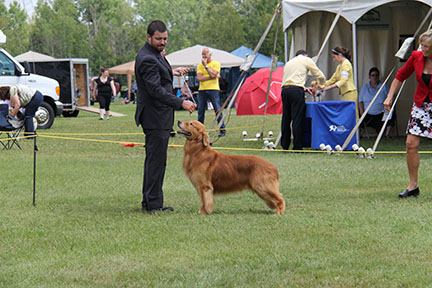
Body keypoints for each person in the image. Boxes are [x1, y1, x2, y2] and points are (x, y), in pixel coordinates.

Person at [134, 20, 196, 215]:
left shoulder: (155, 55)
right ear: (149, 37)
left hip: (159, 116)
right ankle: (153, 204)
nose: (162, 42)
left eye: (165, 39)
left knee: (157, 160)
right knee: (156, 161)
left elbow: (158, 76)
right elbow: (155, 90)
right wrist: (181, 102)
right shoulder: (147, 58)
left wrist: (172, 71)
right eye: (159, 39)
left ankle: (151, 201)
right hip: (154, 116)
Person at [384, 29, 432, 199]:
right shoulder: (416, 57)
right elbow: (400, 76)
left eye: (426, 46)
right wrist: (389, 97)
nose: (422, 48)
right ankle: (413, 186)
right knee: (410, 144)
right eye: (422, 45)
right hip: (421, 105)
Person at [280, 49, 326, 150]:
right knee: (297, 119)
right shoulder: (306, 60)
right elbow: (320, 75)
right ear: (306, 55)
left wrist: (305, 89)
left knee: (286, 118)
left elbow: (291, 81)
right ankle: (297, 146)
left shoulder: (289, 63)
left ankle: (284, 145)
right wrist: (322, 86)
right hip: (296, 91)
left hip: (285, 90)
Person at [197, 47, 226, 137]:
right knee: (201, 111)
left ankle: (222, 129)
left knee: (217, 109)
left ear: (210, 55)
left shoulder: (216, 64)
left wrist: (206, 66)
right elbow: (199, 78)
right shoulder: (199, 65)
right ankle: (199, 130)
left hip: (213, 89)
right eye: (202, 54)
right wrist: (211, 76)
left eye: (205, 54)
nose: (203, 56)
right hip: (202, 90)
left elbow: (213, 75)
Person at [322, 46, 359, 119]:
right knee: (346, 114)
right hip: (344, 93)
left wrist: (329, 87)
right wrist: (320, 84)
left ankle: (355, 129)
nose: (334, 59)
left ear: (339, 55)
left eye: (334, 57)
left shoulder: (346, 64)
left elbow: (343, 80)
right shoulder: (339, 66)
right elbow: (332, 80)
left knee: (351, 114)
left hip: (350, 92)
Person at [359, 67, 393, 136]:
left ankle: (387, 135)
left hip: (381, 112)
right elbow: (360, 101)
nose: (374, 77)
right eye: (372, 75)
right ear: (369, 77)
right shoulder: (365, 87)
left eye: (376, 75)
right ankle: (360, 133)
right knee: (356, 113)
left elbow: (390, 98)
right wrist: (362, 112)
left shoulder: (384, 86)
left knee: (391, 111)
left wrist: (389, 107)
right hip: (367, 113)